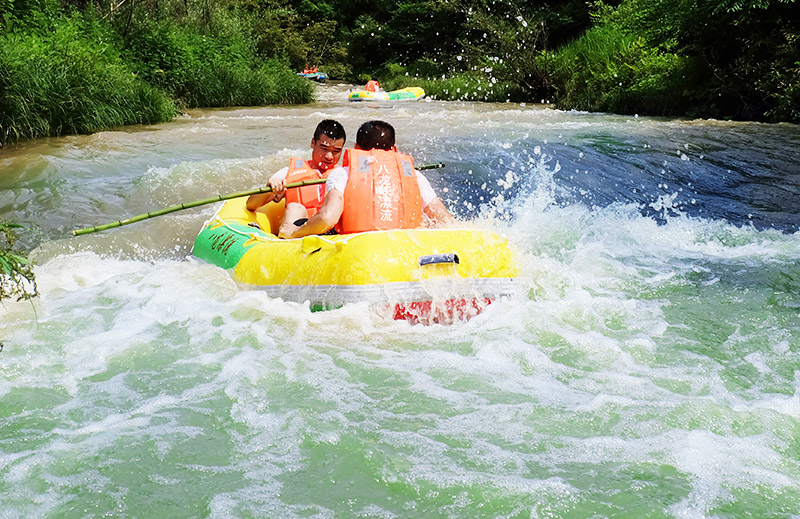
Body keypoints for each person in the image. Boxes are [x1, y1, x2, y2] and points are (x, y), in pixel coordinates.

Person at [280, 120, 454, 239]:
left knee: (301, 222)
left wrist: (297, 232)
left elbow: (327, 218)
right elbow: (446, 222)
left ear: (357, 149)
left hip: (355, 247)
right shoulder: (414, 175)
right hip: (404, 247)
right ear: (394, 149)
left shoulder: (342, 174)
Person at [246, 119, 346, 237]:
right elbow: (251, 205)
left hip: (333, 234)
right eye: (324, 149)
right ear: (313, 143)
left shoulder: (344, 174)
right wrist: (270, 189)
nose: (329, 157)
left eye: (336, 151)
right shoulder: (288, 172)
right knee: (295, 207)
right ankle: (284, 243)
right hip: (298, 235)